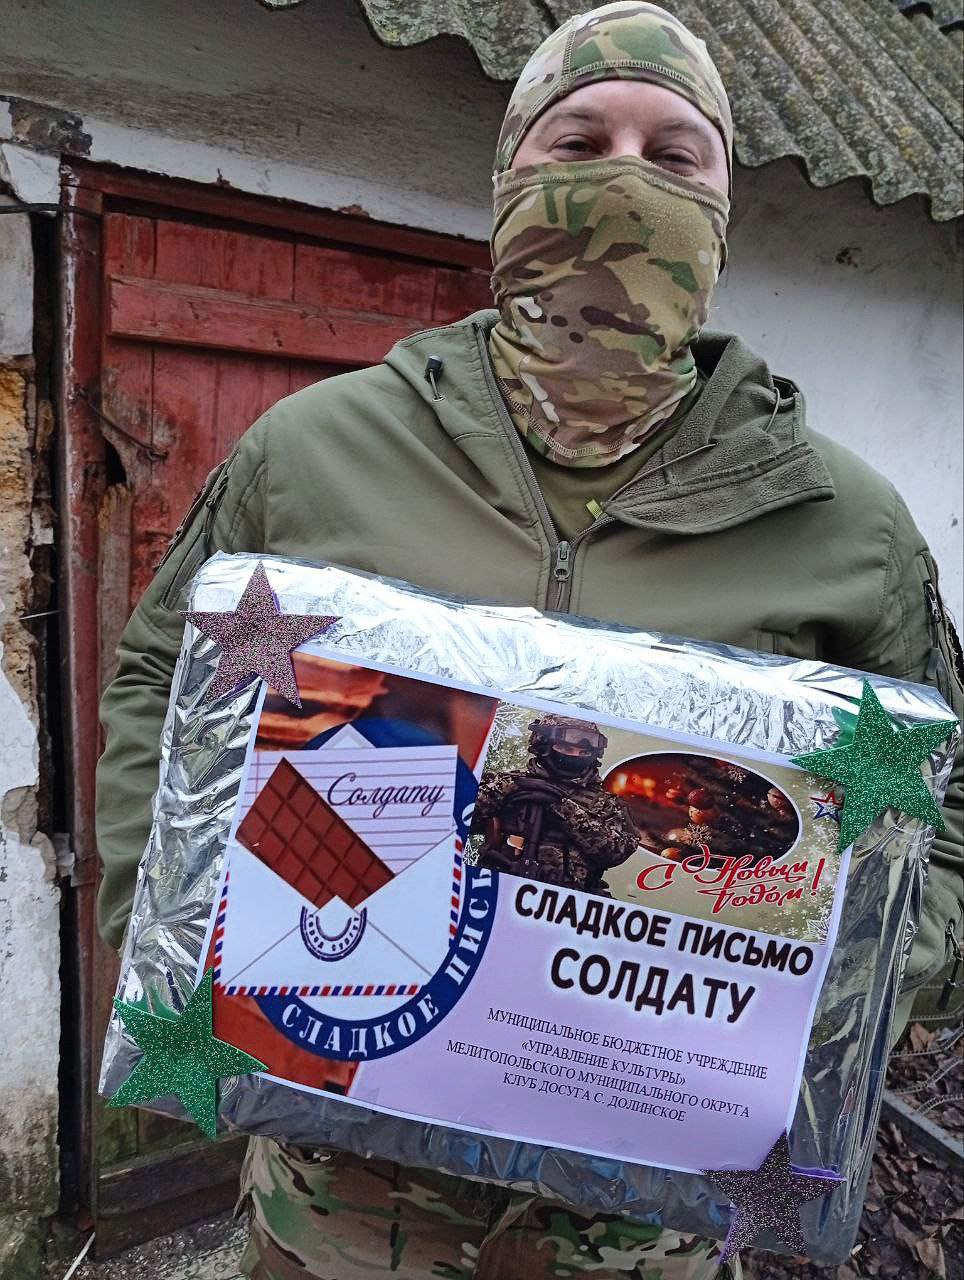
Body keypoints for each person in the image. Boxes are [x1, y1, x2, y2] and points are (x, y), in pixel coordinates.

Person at [94, 3, 964, 1277]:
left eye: (675, 154)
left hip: (648, 1218)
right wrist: (168, 927)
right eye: (579, 140)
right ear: (509, 177)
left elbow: (942, 809)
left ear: (724, 208)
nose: (626, 177)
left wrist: (854, 979)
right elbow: (163, 682)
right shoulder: (315, 450)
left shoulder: (847, 524)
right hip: (338, 1189)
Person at [473, 714, 640, 892]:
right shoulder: (506, 783)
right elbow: (459, 818)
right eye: (566, 748)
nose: (575, 756)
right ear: (543, 746)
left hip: (565, 900)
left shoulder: (606, 803)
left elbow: (616, 853)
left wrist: (564, 808)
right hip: (496, 888)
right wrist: (503, 790)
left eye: (583, 753)